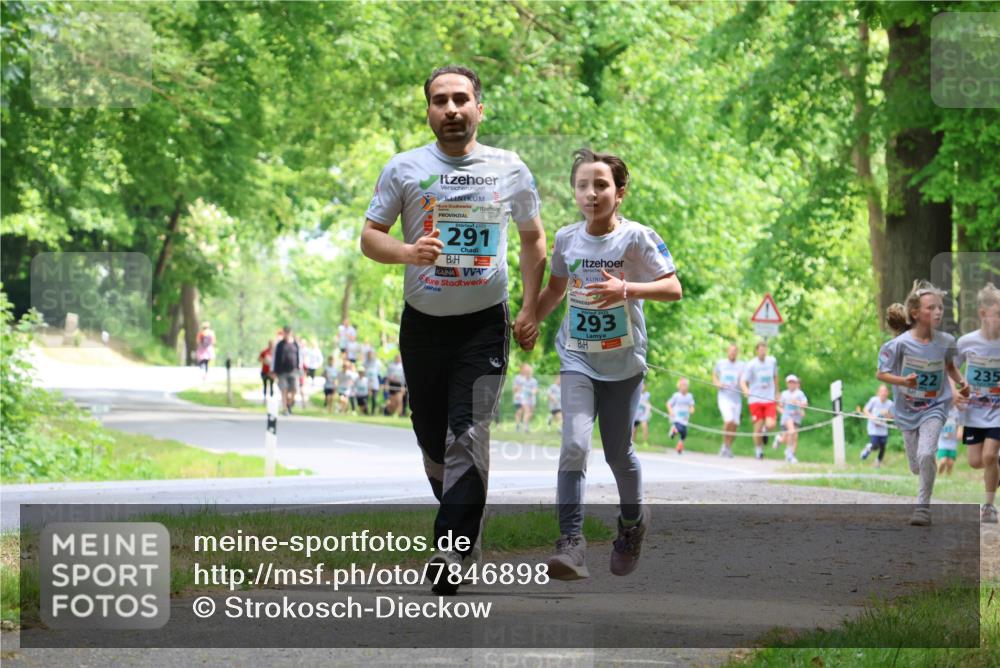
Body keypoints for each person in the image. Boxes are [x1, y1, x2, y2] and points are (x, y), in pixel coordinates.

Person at [360, 65, 546, 595]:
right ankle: (466, 521)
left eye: (461, 99)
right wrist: (407, 252)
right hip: (423, 326)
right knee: (432, 440)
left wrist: (530, 308)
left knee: (467, 433)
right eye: (440, 101)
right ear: (429, 112)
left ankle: (452, 551)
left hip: (484, 325)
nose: (452, 109)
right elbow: (370, 237)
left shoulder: (509, 169)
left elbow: (534, 241)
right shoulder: (404, 168)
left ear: (479, 109)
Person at [534, 148, 682, 580]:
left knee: (619, 453)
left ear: (619, 193)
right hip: (577, 356)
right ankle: (571, 543)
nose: (591, 193)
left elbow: (673, 288)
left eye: (601, 185)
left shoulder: (637, 237)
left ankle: (633, 524)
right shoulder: (566, 239)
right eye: (583, 185)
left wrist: (627, 289)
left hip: (623, 362)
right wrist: (528, 320)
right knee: (575, 445)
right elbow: (556, 289)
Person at [876, 281, 968, 526]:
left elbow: (949, 366)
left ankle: (922, 508)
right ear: (915, 313)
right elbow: (881, 374)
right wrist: (903, 380)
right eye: (931, 308)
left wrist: (961, 381)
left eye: (940, 307)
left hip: (935, 407)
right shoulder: (898, 345)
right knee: (917, 465)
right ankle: (923, 475)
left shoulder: (946, 341)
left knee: (927, 453)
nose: (938, 312)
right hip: (906, 411)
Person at [955, 282, 1000, 524]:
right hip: (974, 412)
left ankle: (989, 506)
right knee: (976, 461)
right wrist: (954, 392)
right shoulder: (966, 342)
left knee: (989, 456)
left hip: (998, 411)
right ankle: (995, 467)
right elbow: (950, 368)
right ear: (983, 313)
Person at [741, 340, 779, 460]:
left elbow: (775, 377)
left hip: (769, 398)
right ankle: (759, 450)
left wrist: (777, 392)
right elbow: (743, 381)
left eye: (765, 349)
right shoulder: (751, 364)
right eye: (760, 349)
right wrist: (746, 390)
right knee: (757, 428)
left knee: (771, 424)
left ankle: (765, 430)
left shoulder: (772, 361)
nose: (763, 351)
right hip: (755, 399)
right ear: (757, 351)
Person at [713, 343, 745, 458]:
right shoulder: (721, 363)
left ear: (737, 353)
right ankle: (724, 446)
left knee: (735, 424)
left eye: (735, 351)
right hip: (724, 396)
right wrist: (717, 384)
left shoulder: (742, 365)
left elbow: (744, 379)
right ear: (727, 352)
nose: (733, 353)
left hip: (736, 397)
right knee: (728, 420)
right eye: (731, 351)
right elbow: (714, 375)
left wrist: (744, 388)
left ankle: (727, 447)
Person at [861, 384, 894, 467]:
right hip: (873, 428)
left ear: (888, 393)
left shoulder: (890, 403)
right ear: (878, 393)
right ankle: (868, 448)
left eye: (885, 391)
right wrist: (871, 416)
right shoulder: (874, 400)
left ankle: (877, 463)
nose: (883, 393)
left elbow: (892, 416)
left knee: (882, 447)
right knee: (875, 445)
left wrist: (887, 414)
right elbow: (865, 410)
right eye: (881, 391)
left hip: (883, 428)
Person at [778, 374, 807, 463]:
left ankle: (790, 454)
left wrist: (798, 404)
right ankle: (789, 453)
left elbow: (805, 404)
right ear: (787, 384)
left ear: (796, 383)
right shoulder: (784, 394)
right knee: (792, 431)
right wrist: (783, 411)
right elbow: (779, 406)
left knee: (794, 436)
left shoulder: (800, 393)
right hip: (787, 417)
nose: (791, 384)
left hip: (796, 418)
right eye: (789, 383)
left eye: (793, 382)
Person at [271, 326, 300, 416]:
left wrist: (301, 369)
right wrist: (273, 370)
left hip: (293, 370)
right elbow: (274, 358)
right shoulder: (279, 345)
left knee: (294, 389)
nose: (286, 334)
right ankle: (285, 409)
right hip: (281, 371)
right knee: (284, 390)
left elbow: (300, 356)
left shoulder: (295, 344)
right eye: (285, 333)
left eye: (288, 332)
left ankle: (289, 405)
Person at [666, 378, 695, 455]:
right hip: (676, 417)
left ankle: (679, 445)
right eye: (682, 386)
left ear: (687, 387)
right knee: (679, 428)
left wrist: (692, 410)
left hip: (685, 418)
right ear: (679, 387)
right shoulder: (676, 395)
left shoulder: (689, 396)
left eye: (685, 386)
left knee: (684, 433)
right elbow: (669, 404)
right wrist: (671, 411)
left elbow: (691, 405)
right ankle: (673, 430)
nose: (683, 387)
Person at [937, 402, 961, 476]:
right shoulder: (941, 409)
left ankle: (948, 477)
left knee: (950, 462)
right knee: (943, 461)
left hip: (952, 441)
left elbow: (959, 423)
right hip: (942, 440)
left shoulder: (957, 411)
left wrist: (960, 431)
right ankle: (939, 474)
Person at [514, 364, 538, 433]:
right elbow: (516, 388)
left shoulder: (534, 381)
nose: (528, 373)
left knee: (530, 413)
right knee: (523, 411)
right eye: (527, 372)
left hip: (532, 399)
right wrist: (518, 394)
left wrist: (533, 392)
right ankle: (524, 427)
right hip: (524, 399)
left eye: (529, 372)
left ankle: (525, 424)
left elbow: (535, 389)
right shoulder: (521, 380)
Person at [364, 350, 384, 415]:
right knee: (365, 397)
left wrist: (381, 383)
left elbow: (380, 374)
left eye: (371, 354)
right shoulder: (365, 362)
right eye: (369, 354)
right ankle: (366, 411)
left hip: (375, 383)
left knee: (374, 398)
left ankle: (373, 412)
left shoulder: (378, 362)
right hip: (366, 383)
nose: (370, 356)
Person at [258, 339, 275, 404]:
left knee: (271, 385)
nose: (271, 345)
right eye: (270, 344)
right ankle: (264, 398)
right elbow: (259, 359)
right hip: (264, 371)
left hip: (271, 372)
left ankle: (271, 399)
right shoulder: (264, 351)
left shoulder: (274, 352)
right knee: (265, 385)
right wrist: (264, 361)